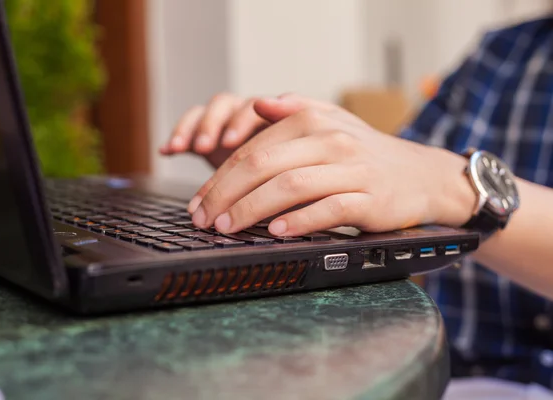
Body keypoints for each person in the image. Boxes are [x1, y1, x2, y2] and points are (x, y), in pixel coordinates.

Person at [160, 16, 553, 399]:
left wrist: (454, 186)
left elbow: (428, 179)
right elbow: (396, 188)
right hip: (438, 374)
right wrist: (295, 169)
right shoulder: (499, 52)